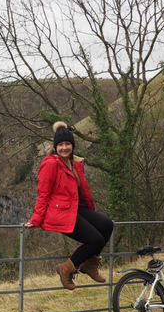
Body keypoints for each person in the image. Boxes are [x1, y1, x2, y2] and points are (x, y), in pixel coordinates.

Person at [24, 121, 114, 290]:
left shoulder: (75, 162)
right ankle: (66, 269)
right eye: (60, 144)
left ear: (72, 145)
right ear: (55, 146)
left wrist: (89, 210)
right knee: (95, 240)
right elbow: (43, 194)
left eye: (67, 144)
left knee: (107, 225)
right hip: (62, 211)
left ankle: (89, 264)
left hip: (78, 208)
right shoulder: (50, 164)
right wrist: (36, 219)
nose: (64, 147)